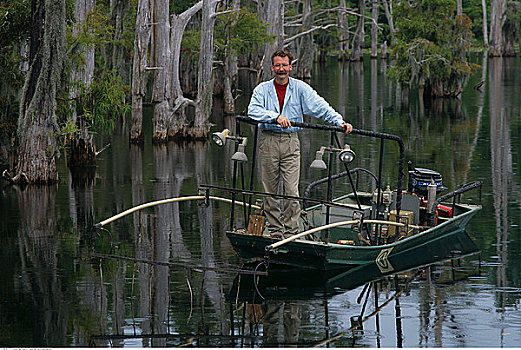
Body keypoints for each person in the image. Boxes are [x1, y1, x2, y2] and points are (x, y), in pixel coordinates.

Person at [248, 49, 353, 236]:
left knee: (291, 190)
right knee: (269, 191)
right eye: (277, 65)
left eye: (284, 65)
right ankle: (274, 231)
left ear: (290, 67)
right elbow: (253, 111)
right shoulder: (262, 89)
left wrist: (339, 121)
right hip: (268, 140)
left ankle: (290, 233)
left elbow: (320, 106)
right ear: (272, 68)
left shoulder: (300, 88)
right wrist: (275, 117)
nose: (281, 69)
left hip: (291, 142)